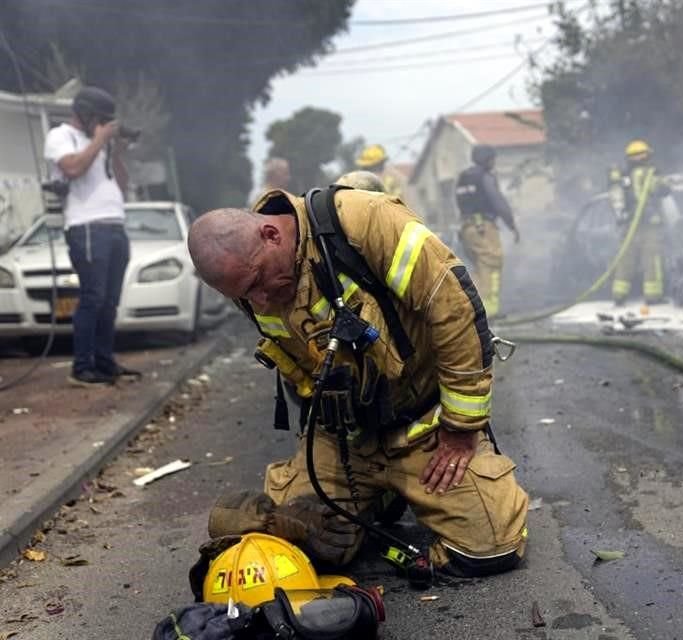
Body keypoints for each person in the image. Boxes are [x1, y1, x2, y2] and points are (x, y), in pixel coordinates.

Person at [187, 186, 529, 578]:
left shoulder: (363, 220)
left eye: (258, 281)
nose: (260, 301)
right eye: (245, 295)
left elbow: (453, 308)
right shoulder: (252, 280)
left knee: (491, 548)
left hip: (423, 427)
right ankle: (375, 497)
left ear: (271, 234)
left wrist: (460, 427)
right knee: (291, 545)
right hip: (345, 439)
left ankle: (389, 492)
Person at [43, 86, 140, 387]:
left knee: (110, 300)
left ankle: (104, 362)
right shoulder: (61, 136)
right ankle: (82, 367)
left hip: (114, 224)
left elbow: (121, 185)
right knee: (92, 297)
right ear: (85, 114)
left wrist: (117, 151)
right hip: (86, 225)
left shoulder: (100, 145)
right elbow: (72, 168)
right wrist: (100, 140)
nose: (104, 124)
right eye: (100, 118)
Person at [454, 145, 519, 318]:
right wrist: (511, 225)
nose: (494, 162)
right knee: (492, 264)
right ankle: (490, 311)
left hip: (467, 229)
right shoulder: (484, 176)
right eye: (493, 159)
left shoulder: (463, 177)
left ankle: (475, 310)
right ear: (488, 159)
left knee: (480, 268)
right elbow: (498, 201)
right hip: (483, 228)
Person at [608, 139, 670, 307]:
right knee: (652, 259)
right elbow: (663, 190)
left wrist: (621, 216)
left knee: (625, 260)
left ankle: (619, 295)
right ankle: (653, 297)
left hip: (629, 225)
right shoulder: (648, 174)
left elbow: (616, 198)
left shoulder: (622, 177)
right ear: (647, 155)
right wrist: (662, 180)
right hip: (649, 225)